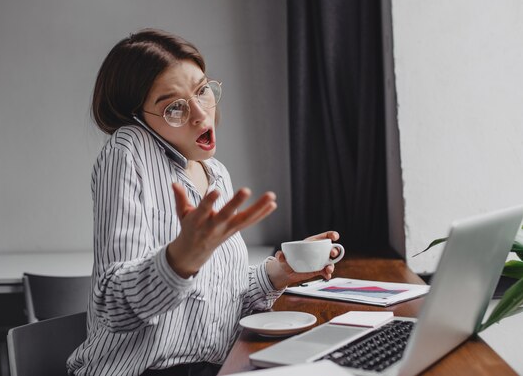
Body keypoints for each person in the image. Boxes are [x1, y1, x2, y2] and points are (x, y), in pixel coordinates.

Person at [67, 28, 341, 376]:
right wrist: (180, 259)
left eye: (202, 91)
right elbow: (114, 306)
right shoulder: (129, 149)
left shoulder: (216, 174)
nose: (200, 114)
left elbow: (218, 302)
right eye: (174, 108)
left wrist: (279, 272)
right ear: (137, 118)